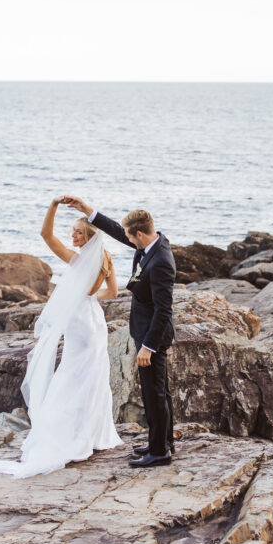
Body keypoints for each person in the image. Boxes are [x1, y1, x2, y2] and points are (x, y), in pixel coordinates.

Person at [0, 197, 122, 479]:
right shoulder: (105, 258)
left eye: (78, 232)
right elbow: (113, 293)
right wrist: (87, 298)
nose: (73, 235)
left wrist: (52, 206)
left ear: (89, 237)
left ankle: (68, 436)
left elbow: (46, 235)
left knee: (71, 377)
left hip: (78, 320)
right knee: (92, 376)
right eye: (73, 231)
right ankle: (93, 435)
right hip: (94, 320)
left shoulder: (78, 259)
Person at [62, 196, 176, 468]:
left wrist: (148, 346)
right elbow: (115, 230)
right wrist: (88, 211)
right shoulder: (152, 243)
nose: (126, 240)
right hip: (145, 329)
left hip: (153, 335)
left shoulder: (160, 261)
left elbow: (164, 309)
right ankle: (163, 441)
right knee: (161, 391)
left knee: (154, 393)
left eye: (129, 236)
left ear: (139, 234)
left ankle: (159, 452)